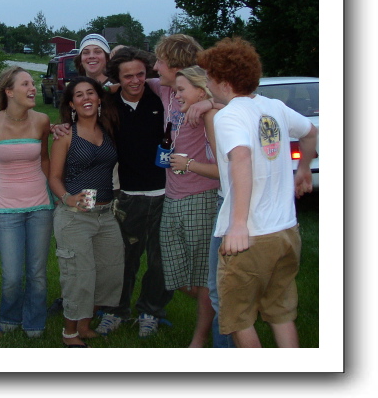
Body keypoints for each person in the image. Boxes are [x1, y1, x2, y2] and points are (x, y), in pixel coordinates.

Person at [198, 37, 317, 348]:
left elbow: (241, 157)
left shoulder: (229, 116)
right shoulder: (274, 107)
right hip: (286, 231)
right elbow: (311, 133)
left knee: (239, 318)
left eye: (209, 77)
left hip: (251, 235)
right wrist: (304, 169)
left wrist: (238, 224)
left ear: (224, 83)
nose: (206, 82)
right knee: (281, 314)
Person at [93, 47, 174, 338]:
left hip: (165, 192)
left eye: (140, 74)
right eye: (128, 76)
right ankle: (116, 310)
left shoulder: (161, 98)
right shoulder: (108, 104)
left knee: (161, 260)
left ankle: (150, 311)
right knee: (123, 258)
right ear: (117, 77)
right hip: (126, 194)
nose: (136, 80)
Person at [147, 34, 220, 348]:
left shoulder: (204, 98)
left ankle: (199, 341)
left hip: (202, 195)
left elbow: (241, 102)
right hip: (173, 194)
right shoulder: (165, 89)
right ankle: (224, 296)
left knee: (203, 275)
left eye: (160, 61)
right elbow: (130, 80)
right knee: (176, 272)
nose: (155, 66)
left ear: (176, 64)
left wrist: (210, 102)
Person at [48, 76, 124, 347]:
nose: (86, 98)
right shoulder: (66, 134)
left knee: (108, 272)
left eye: (90, 92)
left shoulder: (108, 130)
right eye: (78, 95)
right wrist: (67, 198)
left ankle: (85, 324)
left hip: (104, 214)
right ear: (71, 104)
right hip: (75, 217)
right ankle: (70, 332)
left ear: (99, 98)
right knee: (78, 275)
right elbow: (54, 177)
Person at [0, 67, 53, 338]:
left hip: (40, 206)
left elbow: (45, 158)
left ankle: (34, 322)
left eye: (33, 83)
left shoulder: (42, 120)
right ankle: (10, 317)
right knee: (12, 275)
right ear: (9, 92)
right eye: (25, 84)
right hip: (6, 209)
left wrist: (55, 194)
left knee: (37, 273)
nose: (32, 88)